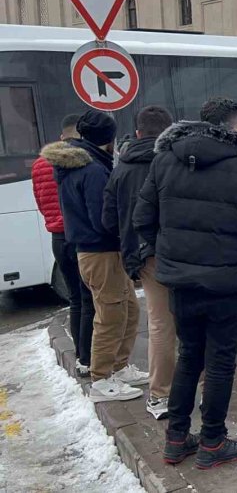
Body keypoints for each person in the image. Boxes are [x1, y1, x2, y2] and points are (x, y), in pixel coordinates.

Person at [134, 97, 237, 469]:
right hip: (227, 280)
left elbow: (142, 217)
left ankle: (176, 438)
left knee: (189, 355)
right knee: (219, 361)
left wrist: (167, 252)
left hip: (180, 280)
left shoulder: (164, 159)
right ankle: (213, 441)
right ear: (236, 126)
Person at [42, 111, 148, 402]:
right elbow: (103, 217)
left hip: (100, 251)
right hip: (100, 252)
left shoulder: (81, 164)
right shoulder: (92, 171)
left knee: (128, 307)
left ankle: (120, 366)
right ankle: (102, 378)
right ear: (109, 139)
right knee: (111, 314)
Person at [101, 106, 177, 419]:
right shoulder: (174, 161)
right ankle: (203, 390)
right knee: (194, 322)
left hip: (146, 256)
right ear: (168, 131)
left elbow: (108, 220)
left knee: (160, 324)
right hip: (182, 252)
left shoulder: (120, 169)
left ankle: (161, 396)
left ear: (136, 133)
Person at [32, 113, 94, 377]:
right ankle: (88, 357)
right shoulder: (78, 163)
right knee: (90, 298)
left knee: (76, 299)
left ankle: (80, 354)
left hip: (57, 238)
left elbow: (40, 203)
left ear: (61, 135)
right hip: (79, 237)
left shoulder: (39, 165)